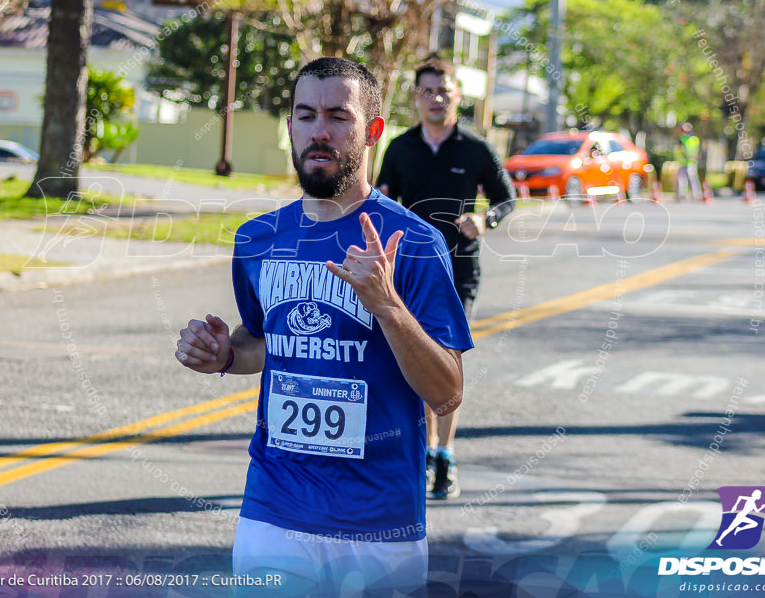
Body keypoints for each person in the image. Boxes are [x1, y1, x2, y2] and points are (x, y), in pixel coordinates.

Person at [175, 57, 473, 595]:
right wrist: (222, 352)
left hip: (379, 525)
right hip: (273, 509)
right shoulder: (258, 239)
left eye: (339, 116)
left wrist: (388, 307)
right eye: (306, 115)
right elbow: (266, 344)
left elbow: (447, 393)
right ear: (289, 126)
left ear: (373, 131)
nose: (320, 131)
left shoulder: (415, 244)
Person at [375, 57, 515, 500]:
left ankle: (444, 455)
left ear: (458, 96)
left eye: (444, 91)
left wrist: (485, 219)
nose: (436, 98)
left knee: (448, 361)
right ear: (416, 97)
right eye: (428, 91)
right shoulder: (399, 147)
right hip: (409, 271)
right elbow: (381, 198)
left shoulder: (475, 148)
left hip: (458, 270)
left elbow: (506, 199)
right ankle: (422, 448)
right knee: (412, 359)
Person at [674, 122, 700, 201]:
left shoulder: (694, 139)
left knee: (692, 178)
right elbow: (678, 150)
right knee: (682, 179)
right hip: (683, 162)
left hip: (691, 162)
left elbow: (695, 150)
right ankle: (682, 195)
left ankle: (696, 195)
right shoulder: (681, 139)